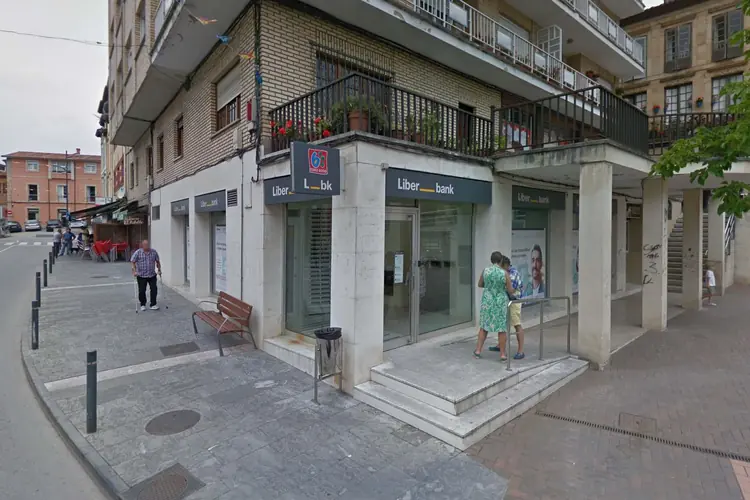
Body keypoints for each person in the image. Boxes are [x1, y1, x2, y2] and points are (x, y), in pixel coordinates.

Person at [474, 251, 515, 361]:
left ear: (491, 260)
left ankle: (478, 350)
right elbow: (510, 290)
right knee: (501, 328)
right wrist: (513, 290)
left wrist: (489, 286)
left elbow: (480, 284)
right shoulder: (504, 273)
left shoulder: (485, 271)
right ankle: (502, 354)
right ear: (501, 260)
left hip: (487, 302)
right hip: (500, 302)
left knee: (484, 327)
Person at [490, 256, 525, 359]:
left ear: (506, 265)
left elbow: (511, 290)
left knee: (516, 324)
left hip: (514, 301)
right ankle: (500, 345)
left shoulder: (513, 273)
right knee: (502, 324)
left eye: (501, 266)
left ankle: (520, 351)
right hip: (505, 301)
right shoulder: (503, 273)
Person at [130, 240, 162, 311]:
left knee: (154, 289)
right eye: (145, 245)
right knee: (142, 291)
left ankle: (153, 304)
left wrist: (159, 269)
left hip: (152, 275)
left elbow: (157, 261)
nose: (146, 246)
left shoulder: (154, 252)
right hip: (141, 275)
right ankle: (143, 304)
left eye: (147, 245)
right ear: (142, 245)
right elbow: (132, 261)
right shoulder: (138, 252)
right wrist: (134, 271)